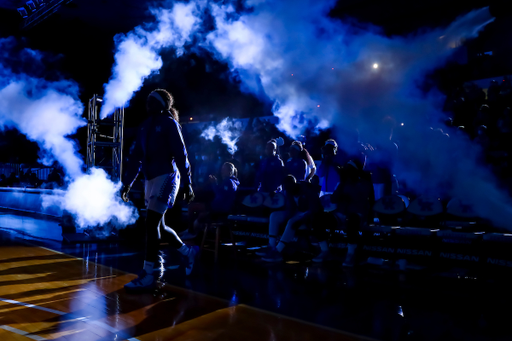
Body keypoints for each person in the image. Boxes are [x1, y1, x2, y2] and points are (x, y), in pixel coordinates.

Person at [121, 88, 196, 291]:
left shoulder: (170, 124)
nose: (148, 104)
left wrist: (188, 183)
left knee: (151, 222)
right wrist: (127, 183)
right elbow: (136, 157)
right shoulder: (144, 126)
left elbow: (181, 154)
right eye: (147, 101)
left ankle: (148, 273)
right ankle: (189, 253)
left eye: (152, 101)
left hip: (167, 176)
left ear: (162, 105)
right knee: (159, 227)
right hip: (150, 179)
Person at [317, 155, 374, 265]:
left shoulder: (365, 184)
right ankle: (325, 250)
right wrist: (342, 185)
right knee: (319, 219)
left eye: (349, 171)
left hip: (357, 215)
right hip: (340, 215)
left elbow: (363, 201)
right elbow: (333, 199)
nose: (346, 173)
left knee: (352, 220)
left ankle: (351, 253)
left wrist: (347, 196)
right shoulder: (343, 183)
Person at [258, 175, 323, 262]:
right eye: (285, 188)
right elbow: (291, 209)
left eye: (288, 187)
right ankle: (271, 246)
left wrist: (300, 219)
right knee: (274, 215)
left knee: (292, 222)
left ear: (294, 184)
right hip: (298, 212)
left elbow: (314, 209)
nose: (287, 189)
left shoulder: (307, 189)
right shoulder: (288, 191)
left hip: (310, 214)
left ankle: (277, 251)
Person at [184, 162, 240, 238]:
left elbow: (219, 195)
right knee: (200, 212)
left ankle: (190, 231)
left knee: (192, 207)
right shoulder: (231, 182)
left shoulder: (229, 182)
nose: (221, 171)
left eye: (224, 169)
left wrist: (214, 183)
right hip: (219, 207)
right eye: (222, 169)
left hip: (219, 208)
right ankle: (195, 230)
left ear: (229, 171)